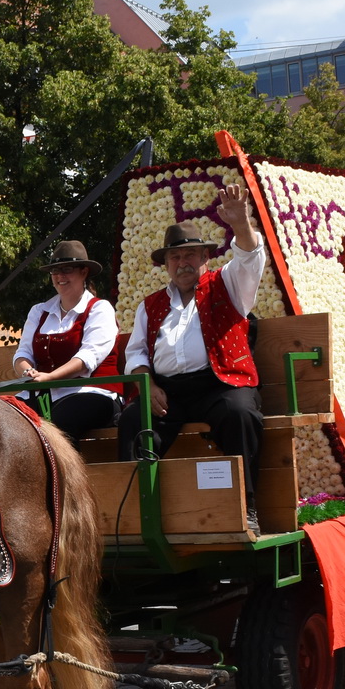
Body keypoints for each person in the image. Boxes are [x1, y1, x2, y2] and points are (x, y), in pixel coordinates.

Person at [121, 182, 267, 531]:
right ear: (166, 264)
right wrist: (147, 384)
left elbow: (249, 258)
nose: (182, 263)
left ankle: (246, 509)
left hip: (220, 384)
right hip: (168, 393)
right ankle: (139, 518)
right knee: (131, 423)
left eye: (189, 255)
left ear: (205, 257)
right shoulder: (150, 305)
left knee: (240, 413)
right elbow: (136, 353)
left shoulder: (228, 283)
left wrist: (241, 224)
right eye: (175, 257)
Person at [12, 240, 121, 445]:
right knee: (1, 416)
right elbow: (22, 354)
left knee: (60, 421)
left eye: (67, 270)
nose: (60, 276)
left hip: (90, 392)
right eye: (55, 271)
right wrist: (29, 373)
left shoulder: (100, 309)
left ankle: (63, 477)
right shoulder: (39, 311)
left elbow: (88, 357)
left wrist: (50, 377)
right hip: (44, 395)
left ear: (84, 272)